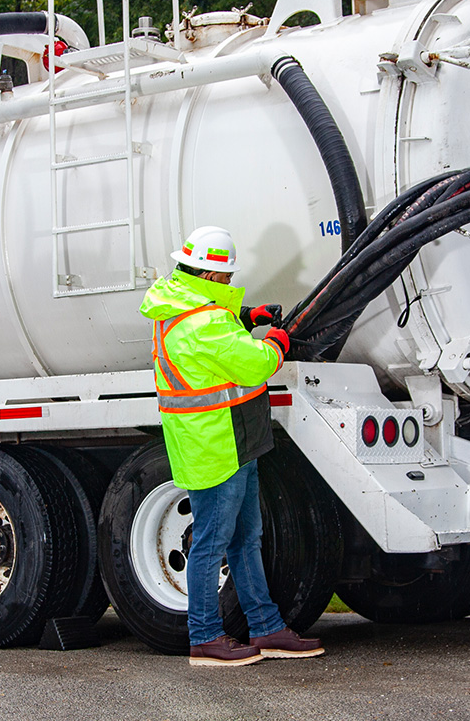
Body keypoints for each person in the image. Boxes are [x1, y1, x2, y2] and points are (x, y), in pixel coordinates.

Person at [139, 226, 324, 666]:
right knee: (212, 542)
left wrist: (244, 318)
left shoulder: (183, 308)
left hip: (231, 439)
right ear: (213, 275)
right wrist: (275, 341)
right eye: (225, 278)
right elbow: (255, 363)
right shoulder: (204, 321)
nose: (227, 284)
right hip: (218, 446)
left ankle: (266, 628)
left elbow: (214, 351)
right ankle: (205, 637)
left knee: (245, 538)